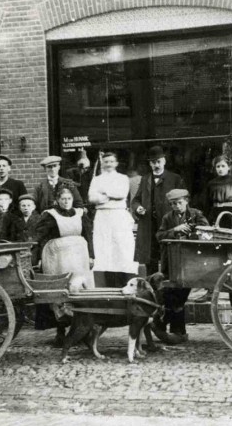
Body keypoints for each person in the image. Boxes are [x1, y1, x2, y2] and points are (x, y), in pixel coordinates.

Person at [35, 182, 94, 346]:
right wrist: (35, 253)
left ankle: (81, 331)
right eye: (63, 199)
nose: (66, 201)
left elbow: (89, 235)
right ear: (57, 200)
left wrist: (92, 256)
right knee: (60, 292)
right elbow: (40, 235)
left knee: (79, 290)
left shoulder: (81, 214)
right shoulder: (50, 215)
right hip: (58, 257)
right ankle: (60, 333)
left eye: (69, 198)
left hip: (79, 257)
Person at [154, 189, 209, 344]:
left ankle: (162, 325)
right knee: (172, 294)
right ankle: (176, 331)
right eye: (173, 204)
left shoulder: (196, 214)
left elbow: (206, 230)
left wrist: (192, 230)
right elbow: (159, 236)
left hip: (190, 262)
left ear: (186, 201)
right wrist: (174, 230)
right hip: (172, 263)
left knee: (179, 295)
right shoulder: (167, 218)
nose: (177, 206)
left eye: (179, 203)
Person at [131, 146, 185, 274]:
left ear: (164, 161)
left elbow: (184, 201)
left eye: (159, 161)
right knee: (151, 259)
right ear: (150, 164)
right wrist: (138, 207)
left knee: (170, 257)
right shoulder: (145, 179)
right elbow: (136, 200)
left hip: (169, 223)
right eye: (153, 162)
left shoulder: (175, 178)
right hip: (149, 225)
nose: (156, 165)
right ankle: (151, 288)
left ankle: (168, 289)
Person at [88, 151, 138, 286]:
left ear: (116, 163)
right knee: (104, 248)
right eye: (106, 161)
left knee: (121, 247)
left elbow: (121, 194)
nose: (108, 164)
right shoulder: (97, 179)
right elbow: (92, 197)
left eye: (111, 161)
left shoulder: (122, 178)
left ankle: (125, 282)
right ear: (102, 163)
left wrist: (104, 192)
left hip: (118, 215)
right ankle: (108, 283)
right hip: (102, 216)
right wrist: (107, 196)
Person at [204, 154, 232, 229]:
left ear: (228, 167)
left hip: (231, 215)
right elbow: (206, 204)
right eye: (218, 166)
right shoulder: (211, 184)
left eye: (223, 166)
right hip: (215, 215)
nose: (220, 169)